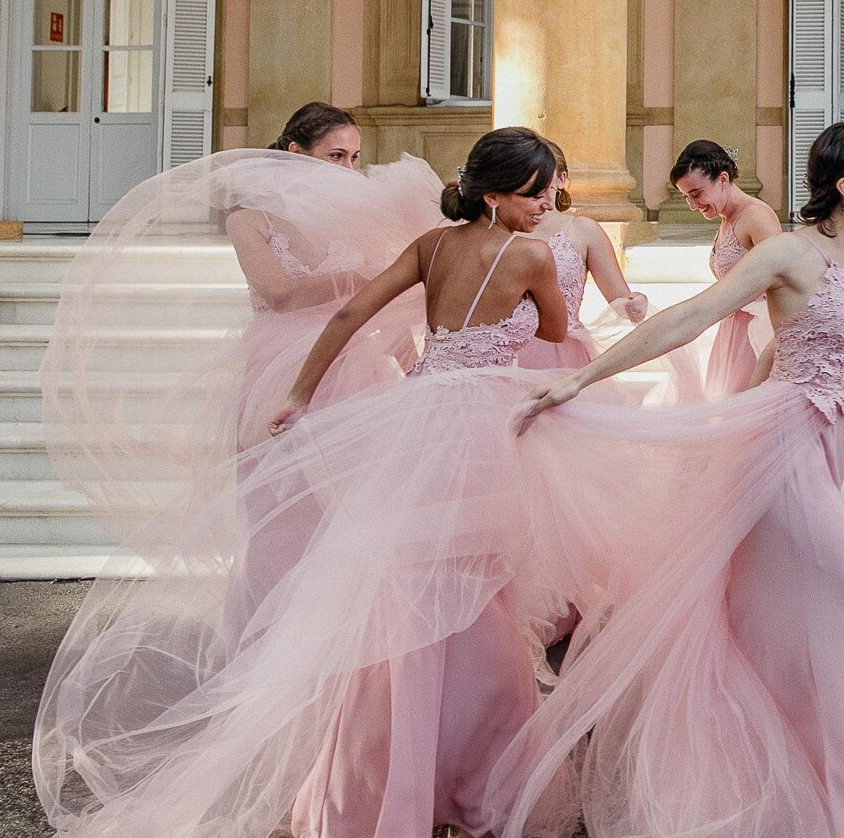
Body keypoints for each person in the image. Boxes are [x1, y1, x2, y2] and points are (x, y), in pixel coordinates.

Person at [35, 128, 571, 838]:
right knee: (477, 584)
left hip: (414, 418)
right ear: (497, 195)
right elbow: (557, 329)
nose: (546, 202)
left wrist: (299, 391)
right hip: (481, 425)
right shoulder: (530, 253)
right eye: (535, 192)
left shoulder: (432, 246)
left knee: (405, 587)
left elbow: (352, 313)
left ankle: (389, 777)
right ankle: (472, 770)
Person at [496, 123, 844, 837]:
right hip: (787, 457)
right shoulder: (790, 253)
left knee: (775, 628)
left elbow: (782, 357)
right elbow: (691, 316)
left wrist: (737, 428)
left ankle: (796, 796)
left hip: (817, 448)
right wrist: (582, 376)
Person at [39, 104, 444, 530]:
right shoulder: (249, 219)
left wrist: (417, 375)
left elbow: (381, 311)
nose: (347, 169)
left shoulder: (360, 220)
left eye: (354, 157)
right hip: (278, 370)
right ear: (296, 152)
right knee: (281, 504)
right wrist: (363, 279)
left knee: (355, 505)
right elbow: (279, 292)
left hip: (354, 368)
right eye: (335, 156)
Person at [518, 138, 648, 370]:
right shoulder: (502, 228)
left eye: (543, 173)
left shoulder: (583, 230)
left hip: (562, 351)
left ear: (561, 178)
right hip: (511, 350)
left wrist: (634, 304)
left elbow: (619, 297)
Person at [672, 138, 782, 396]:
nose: (692, 205)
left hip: (757, 333)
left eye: (696, 194)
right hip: (732, 330)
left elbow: (782, 278)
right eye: (687, 197)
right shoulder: (727, 219)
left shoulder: (756, 216)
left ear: (722, 179)